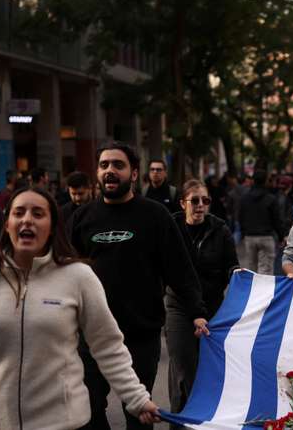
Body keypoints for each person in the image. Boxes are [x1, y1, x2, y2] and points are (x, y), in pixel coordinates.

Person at [0, 187, 162, 430]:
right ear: (7, 224)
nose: (27, 219)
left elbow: (108, 346)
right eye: (19, 212)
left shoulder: (79, 276)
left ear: (53, 226)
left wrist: (137, 398)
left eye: (38, 214)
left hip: (66, 423)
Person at [69, 141, 208, 430]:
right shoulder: (82, 218)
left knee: (139, 416)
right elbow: (63, 273)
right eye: (104, 165)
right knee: (89, 411)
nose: (109, 171)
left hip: (140, 333)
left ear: (134, 174)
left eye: (118, 165)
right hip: (90, 334)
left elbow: (179, 269)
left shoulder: (155, 216)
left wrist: (197, 310)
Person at [168, 180, 238, 424]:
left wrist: (239, 276)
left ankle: (204, 421)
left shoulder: (220, 230)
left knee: (206, 370)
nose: (200, 206)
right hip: (178, 307)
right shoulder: (171, 228)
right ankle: (183, 421)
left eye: (205, 201)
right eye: (194, 200)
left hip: (212, 308)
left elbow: (232, 265)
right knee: (185, 368)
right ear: (182, 203)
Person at [238, 169, 283, 274]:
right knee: (266, 270)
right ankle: (264, 290)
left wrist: (244, 232)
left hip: (250, 236)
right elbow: (276, 219)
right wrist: (281, 236)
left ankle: (252, 289)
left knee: (251, 267)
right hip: (266, 236)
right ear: (266, 181)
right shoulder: (271, 199)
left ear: (253, 181)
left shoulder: (244, 198)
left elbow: (240, 217)